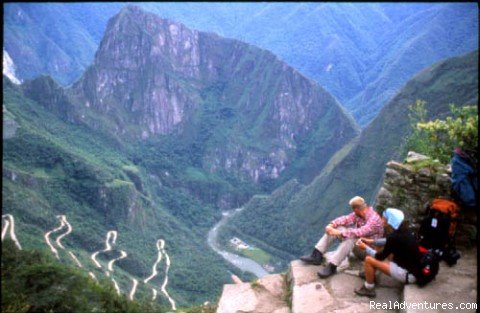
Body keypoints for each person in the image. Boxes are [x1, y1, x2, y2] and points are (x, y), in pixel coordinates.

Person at [300, 196, 384, 278]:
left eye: (353, 210)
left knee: (351, 238)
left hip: (368, 251)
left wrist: (339, 233)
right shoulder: (359, 213)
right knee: (337, 227)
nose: (353, 212)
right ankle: (317, 255)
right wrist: (331, 225)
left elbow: (360, 232)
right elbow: (346, 219)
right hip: (360, 246)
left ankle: (332, 266)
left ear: (356, 209)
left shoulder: (374, 219)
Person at [354, 208, 422, 297]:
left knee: (368, 260)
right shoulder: (405, 230)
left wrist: (365, 247)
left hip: (408, 275)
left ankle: (368, 288)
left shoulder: (394, 237)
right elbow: (388, 241)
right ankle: (370, 273)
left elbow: (380, 257)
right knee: (378, 246)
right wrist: (372, 241)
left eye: (383, 218)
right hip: (413, 268)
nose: (382, 220)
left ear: (390, 221)